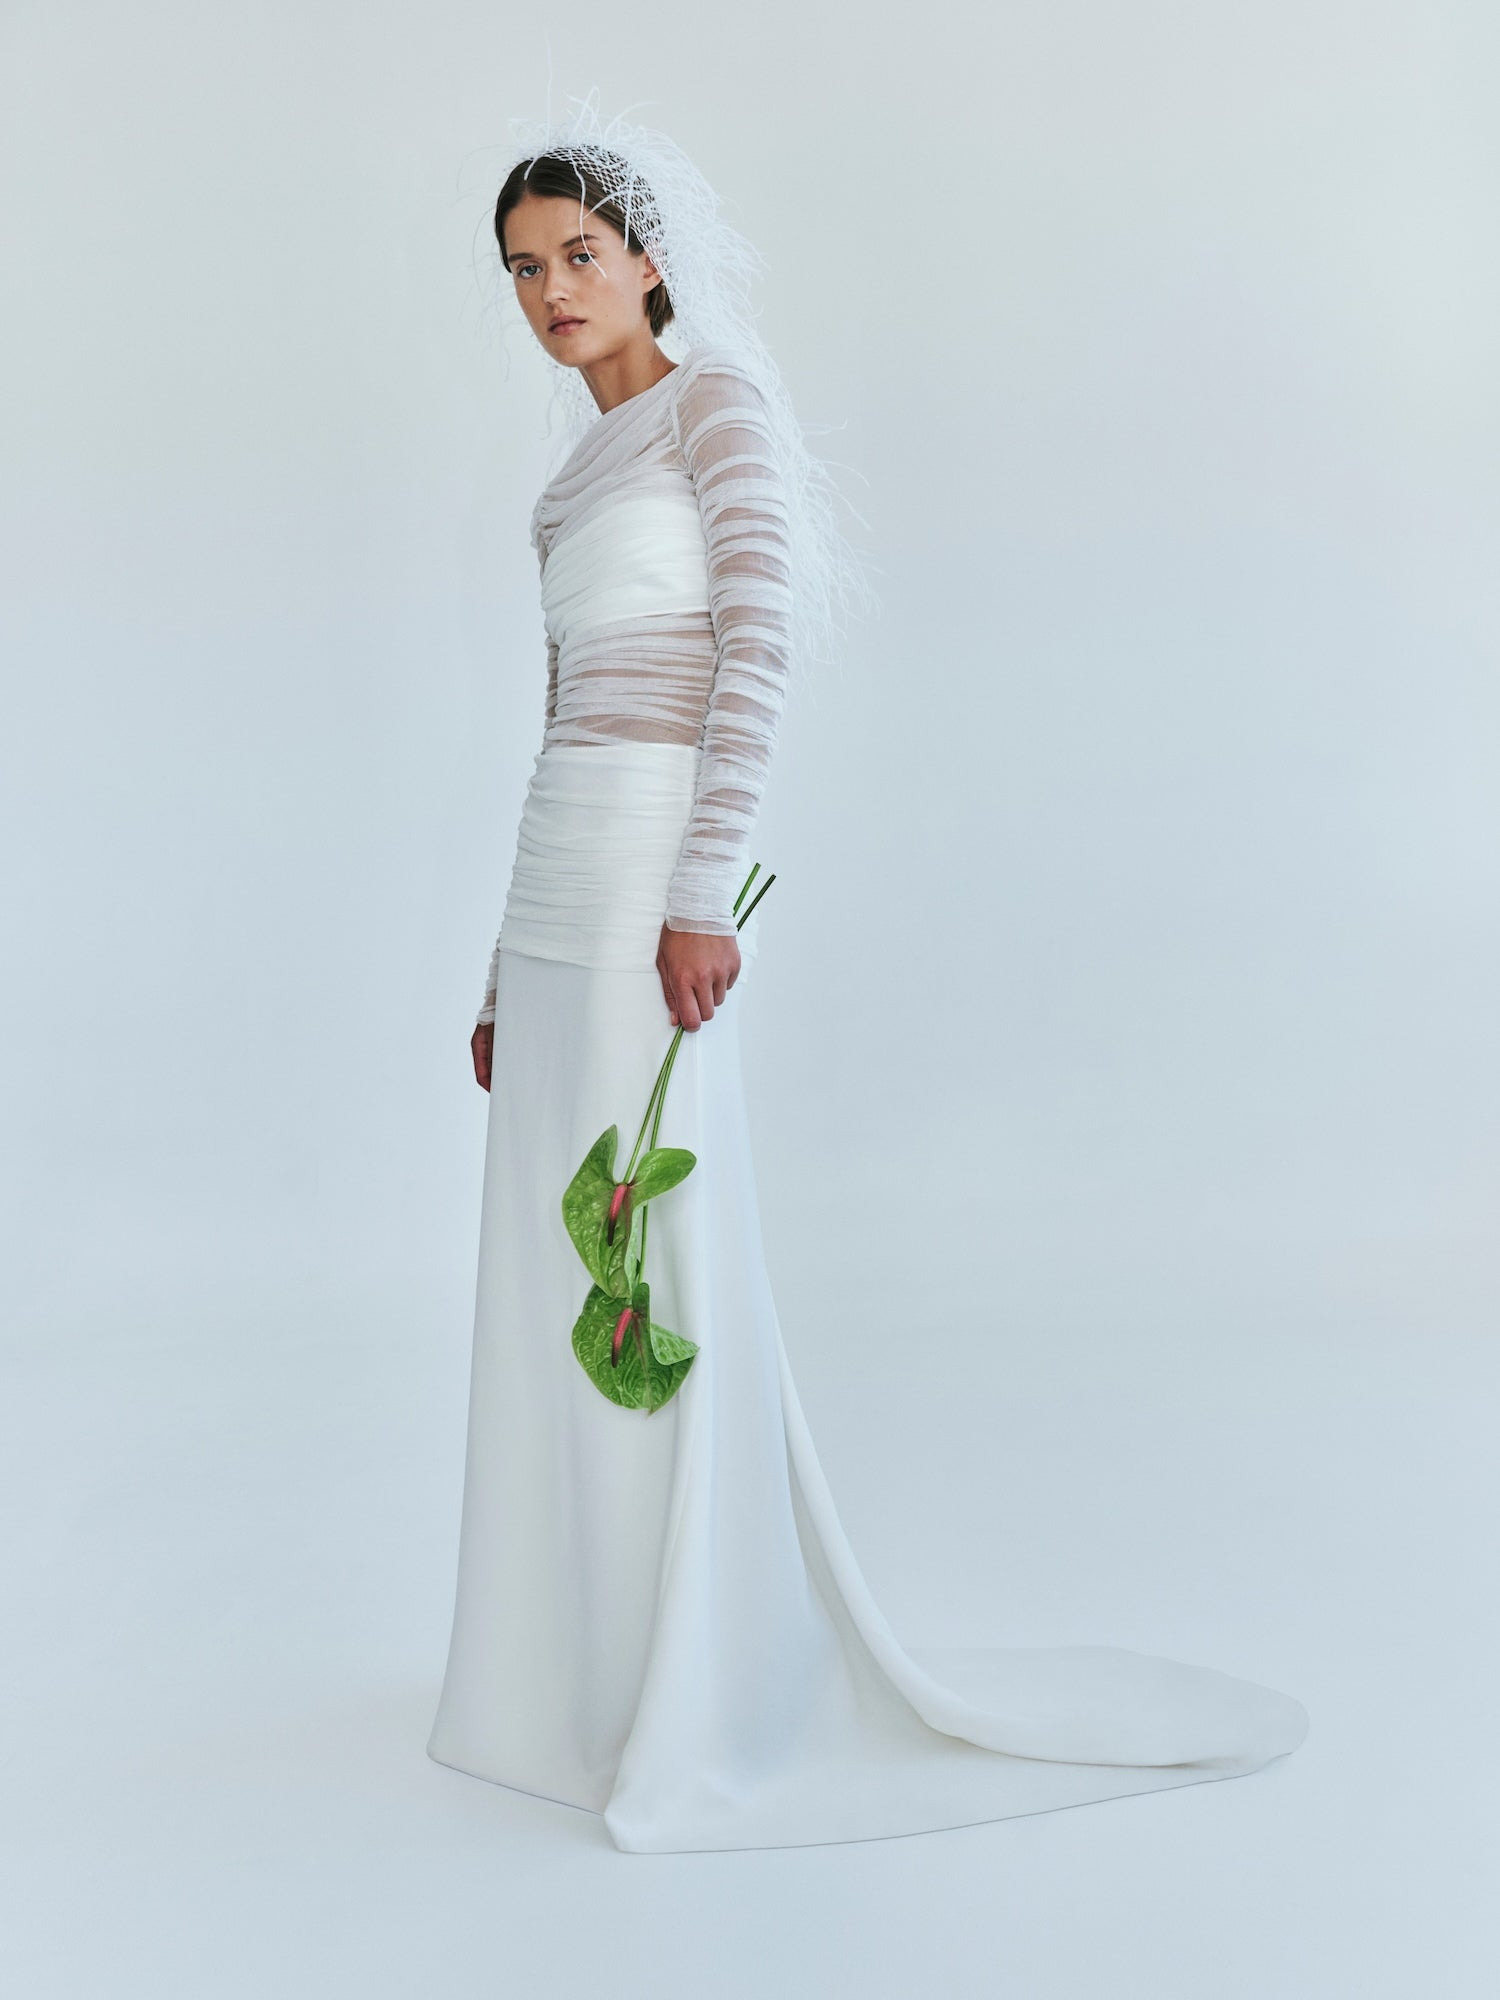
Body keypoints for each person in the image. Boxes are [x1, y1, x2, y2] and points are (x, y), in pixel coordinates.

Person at [425, 94, 1309, 1855]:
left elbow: (756, 653)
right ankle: (569, 1678)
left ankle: (703, 1673)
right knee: (555, 1265)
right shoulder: (562, 488)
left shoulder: (719, 410)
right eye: (521, 270)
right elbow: (559, 718)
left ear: (649, 257)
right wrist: (501, 977)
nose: (551, 292)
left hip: (656, 888)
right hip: (556, 890)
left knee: (658, 1253)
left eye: (579, 254)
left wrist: (704, 895)